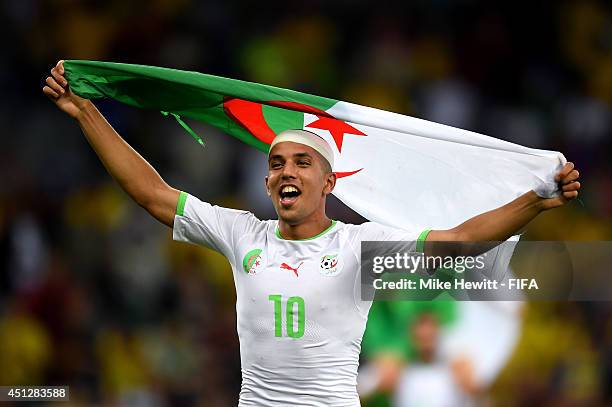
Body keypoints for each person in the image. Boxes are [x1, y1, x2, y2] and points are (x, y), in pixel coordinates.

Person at [43, 60, 581, 406]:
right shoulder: (243, 236)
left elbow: (458, 242)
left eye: (302, 162)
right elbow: (152, 194)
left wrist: (537, 199)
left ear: (328, 182)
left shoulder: (360, 247)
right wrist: (86, 111)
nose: (286, 172)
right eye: (277, 163)